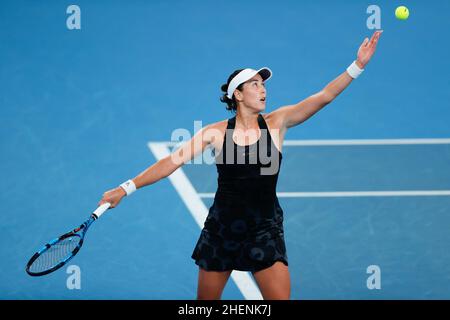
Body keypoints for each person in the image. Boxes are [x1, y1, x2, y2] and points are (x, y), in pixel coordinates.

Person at [98, 30, 382, 300]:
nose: (263, 90)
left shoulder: (277, 122)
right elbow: (171, 162)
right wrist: (125, 188)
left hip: (264, 229)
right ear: (238, 94)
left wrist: (357, 65)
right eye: (255, 85)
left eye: (264, 84)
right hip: (222, 231)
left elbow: (324, 97)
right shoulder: (215, 132)